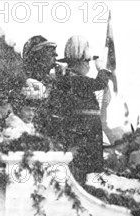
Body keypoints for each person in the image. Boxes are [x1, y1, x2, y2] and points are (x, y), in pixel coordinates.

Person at [51, 35, 112, 180]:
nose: (89, 65)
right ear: (78, 62)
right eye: (87, 61)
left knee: (86, 173)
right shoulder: (74, 80)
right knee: (83, 172)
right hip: (83, 135)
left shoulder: (70, 79)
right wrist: (102, 69)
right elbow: (99, 84)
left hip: (88, 134)